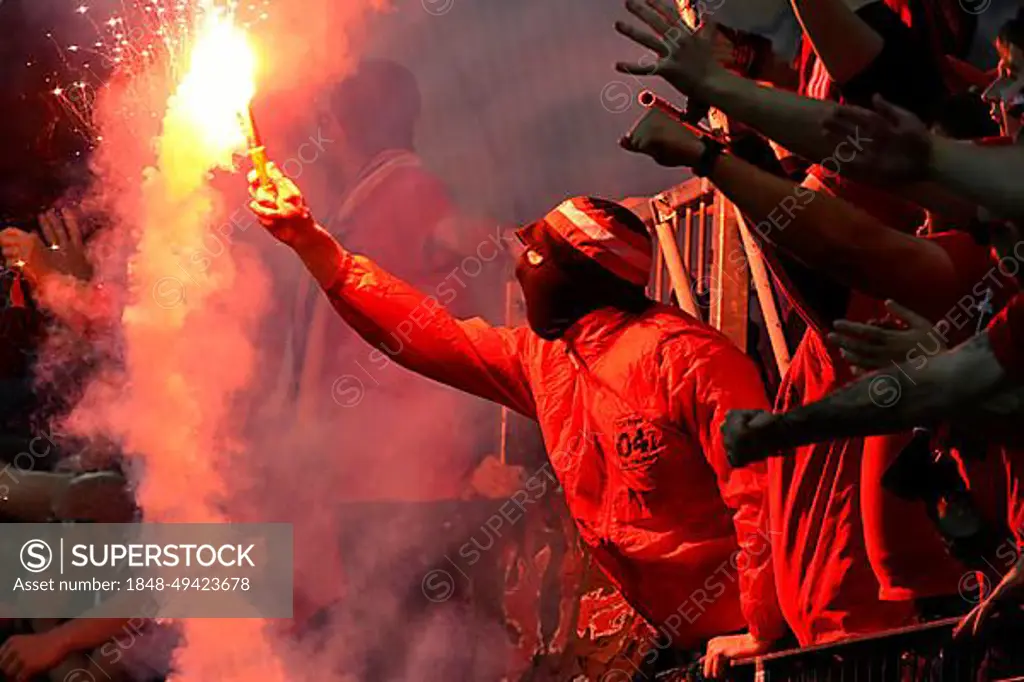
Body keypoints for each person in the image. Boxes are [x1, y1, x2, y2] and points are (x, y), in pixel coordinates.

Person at [247, 163, 787, 678]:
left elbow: (763, 497)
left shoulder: (690, 360)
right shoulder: (547, 358)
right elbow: (430, 338)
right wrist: (312, 242)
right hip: (664, 632)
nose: (521, 263)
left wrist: (761, 629)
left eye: (535, 255)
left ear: (575, 277)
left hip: (741, 644)